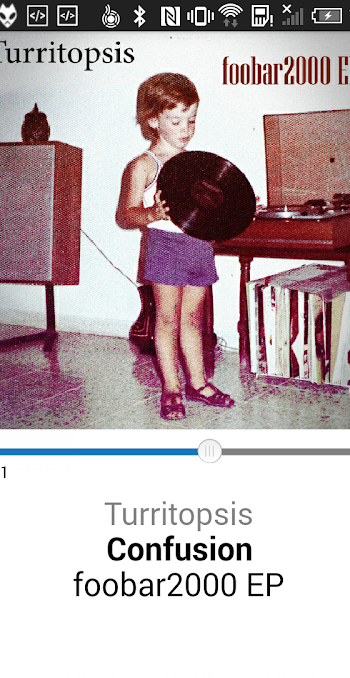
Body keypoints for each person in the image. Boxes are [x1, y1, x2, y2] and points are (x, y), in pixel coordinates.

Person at [116, 72, 235, 421]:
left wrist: (237, 208)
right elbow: (126, 215)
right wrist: (151, 213)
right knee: (167, 320)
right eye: (176, 120)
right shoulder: (143, 165)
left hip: (199, 246)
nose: (186, 129)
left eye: (192, 120)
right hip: (165, 246)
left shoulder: (196, 162)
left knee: (193, 320)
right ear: (153, 120)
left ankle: (198, 384)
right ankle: (171, 388)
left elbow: (207, 207)